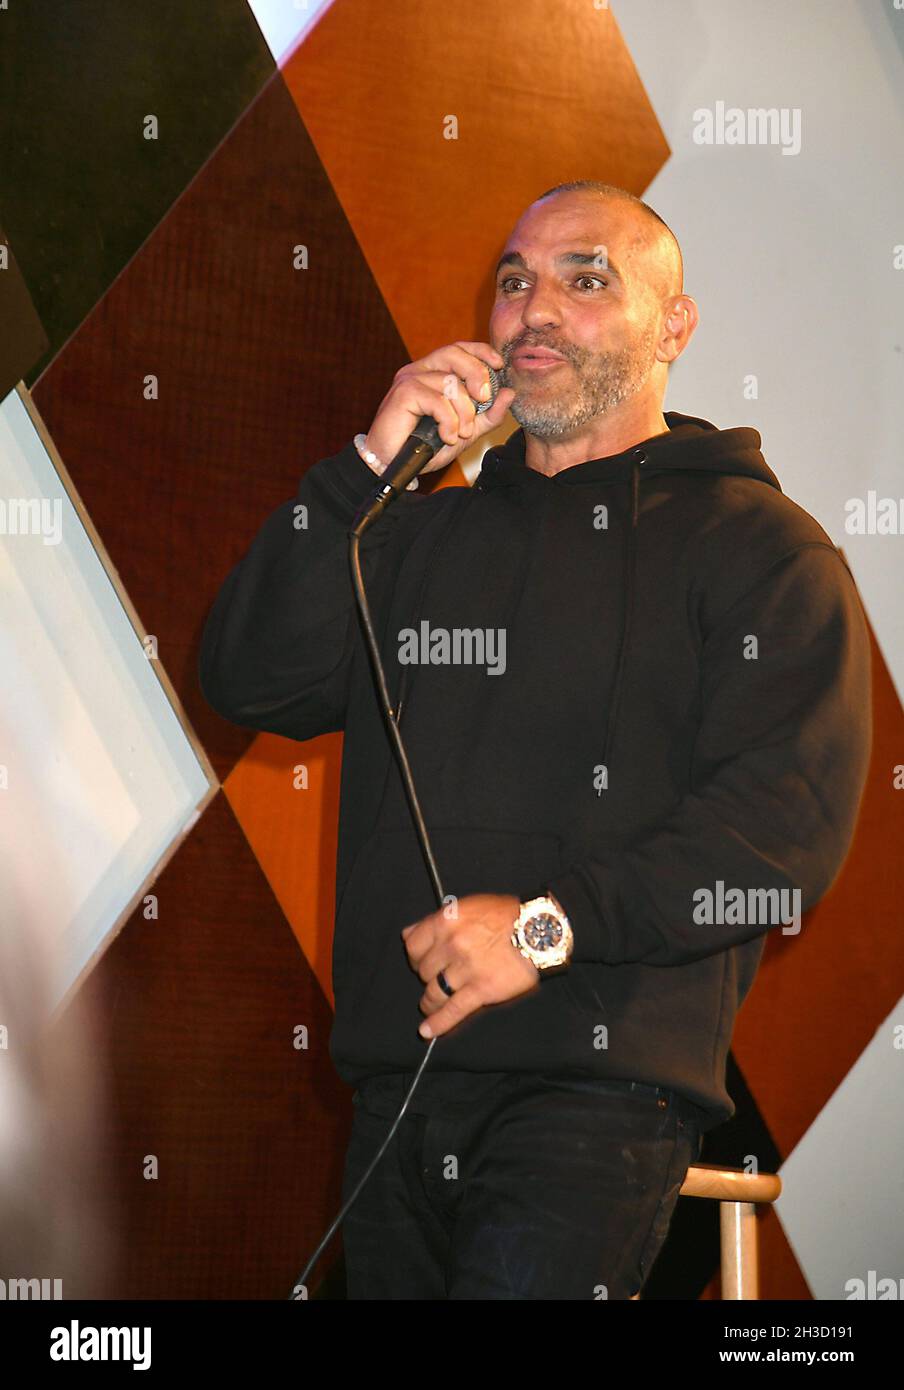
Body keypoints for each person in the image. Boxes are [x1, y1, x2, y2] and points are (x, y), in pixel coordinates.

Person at [197, 181, 872, 1299]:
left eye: (585, 278)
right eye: (514, 281)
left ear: (675, 325)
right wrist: (368, 468)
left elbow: (776, 847)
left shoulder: (761, 549)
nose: (534, 310)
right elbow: (248, 676)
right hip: (396, 1094)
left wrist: (548, 929)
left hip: (593, 1106)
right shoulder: (415, 533)